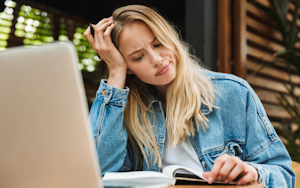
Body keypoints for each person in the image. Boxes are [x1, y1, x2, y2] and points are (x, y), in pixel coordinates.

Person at [84, 4, 295, 188]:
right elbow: (98, 174)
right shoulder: (127, 111)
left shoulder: (233, 92)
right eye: (138, 57)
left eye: (158, 44)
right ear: (129, 67)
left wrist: (251, 171)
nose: (157, 59)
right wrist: (116, 72)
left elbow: (283, 174)